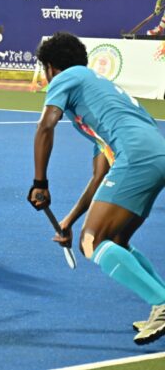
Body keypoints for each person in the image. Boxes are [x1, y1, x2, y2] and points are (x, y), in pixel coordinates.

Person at [28, 32, 165, 345]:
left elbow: (45, 126)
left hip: (136, 156)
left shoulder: (68, 76)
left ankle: (162, 302)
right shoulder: (98, 99)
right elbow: (100, 176)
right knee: (115, 239)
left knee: (92, 241)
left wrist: (40, 183)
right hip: (155, 154)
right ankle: (160, 300)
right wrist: (69, 220)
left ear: (50, 68)